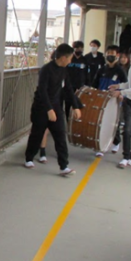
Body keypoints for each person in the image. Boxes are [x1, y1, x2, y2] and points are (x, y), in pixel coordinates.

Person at [24, 43, 82, 176]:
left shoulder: (64, 70)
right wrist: (49, 109)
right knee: (37, 134)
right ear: (63, 58)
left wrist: (75, 106)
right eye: (70, 58)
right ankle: (29, 158)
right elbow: (42, 91)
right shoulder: (46, 69)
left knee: (60, 135)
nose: (70, 61)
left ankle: (64, 166)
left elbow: (68, 89)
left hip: (56, 107)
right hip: (41, 107)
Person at [92, 45, 127, 157]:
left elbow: (125, 85)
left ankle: (116, 142)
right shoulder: (101, 70)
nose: (110, 55)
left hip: (114, 101)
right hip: (101, 100)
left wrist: (121, 94)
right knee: (101, 122)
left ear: (117, 55)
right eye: (108, 53)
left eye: (112, 53)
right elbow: (95, 84)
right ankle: (100, 146)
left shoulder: (120, 71)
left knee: (113, 123)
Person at [64, 40, 88, 120]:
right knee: (68, 104)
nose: (79, 50)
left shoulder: (85, 60)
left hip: (80, 86)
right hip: (69, 86)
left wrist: (87, 85)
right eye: (77, 48)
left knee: (80, 104)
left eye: (81, 48)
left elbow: (87, 73)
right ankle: (68, 119)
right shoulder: (70, 59)